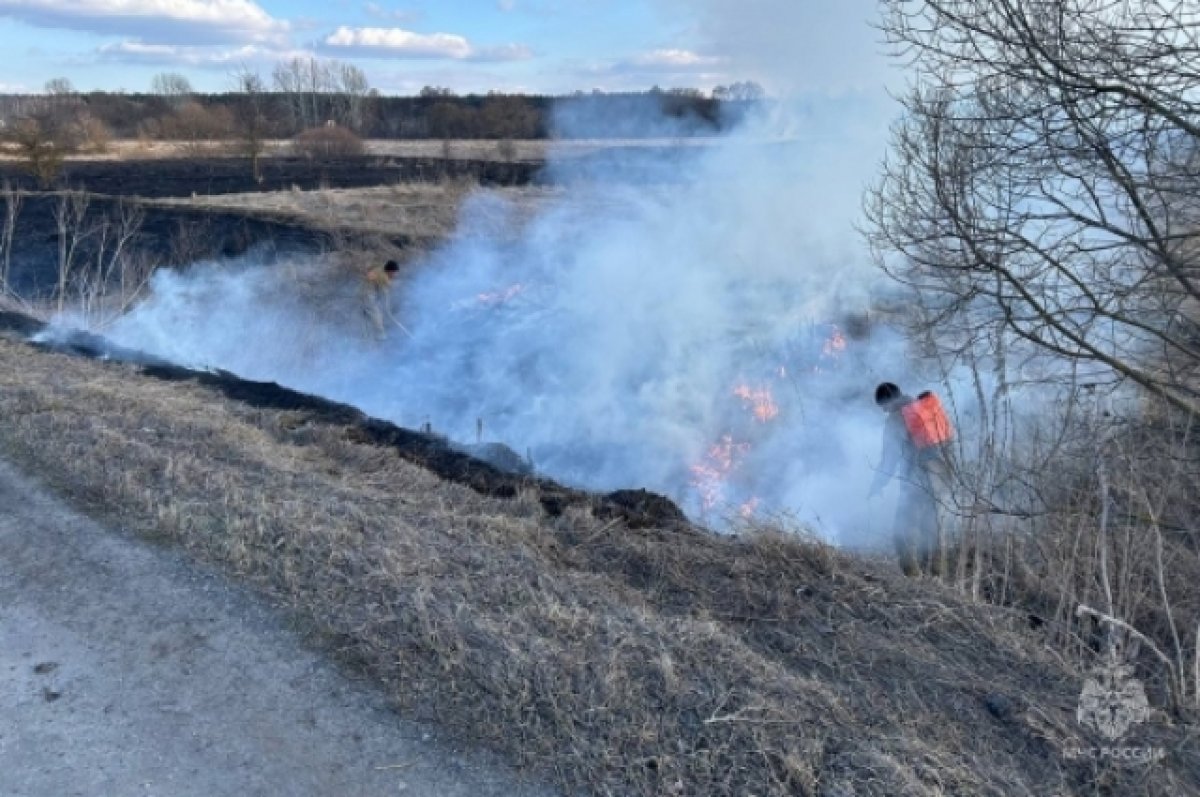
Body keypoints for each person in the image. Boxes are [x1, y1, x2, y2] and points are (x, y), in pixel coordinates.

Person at [868, 382, 952, 576]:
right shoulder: (926, 409)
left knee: (902, 533)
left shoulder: (896, 419)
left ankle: (914, 581)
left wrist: (876, 485)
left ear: (887, 403)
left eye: (884, 408)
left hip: (918, 479)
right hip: (944, 475)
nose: (885, 412)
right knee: (934, 529)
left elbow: (889, 460)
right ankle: (938, 580)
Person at [362, 259, 401, 338]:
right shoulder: (384, 278)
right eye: (394, 272)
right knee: (377, 315)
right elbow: (384, 294)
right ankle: (380, 336)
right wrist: (387, 310)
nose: (395, 275)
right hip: (367, 296)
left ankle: (369, 327)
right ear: (390, 271)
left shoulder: (380, 270)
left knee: (373, 313)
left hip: (367, 293)